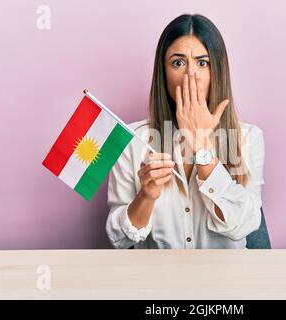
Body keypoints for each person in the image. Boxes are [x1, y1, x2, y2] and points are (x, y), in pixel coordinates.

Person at [106, 14, 265, 249]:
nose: (191, 75)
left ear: (217, 71)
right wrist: (146, 195)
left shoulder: (248, 138)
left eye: (203, 63)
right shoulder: (131, 140)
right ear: (163, 72)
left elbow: (244, 226)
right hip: (157, 281)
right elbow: (118, 240)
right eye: (178, 63)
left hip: (223, 282)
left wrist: (201, 144)